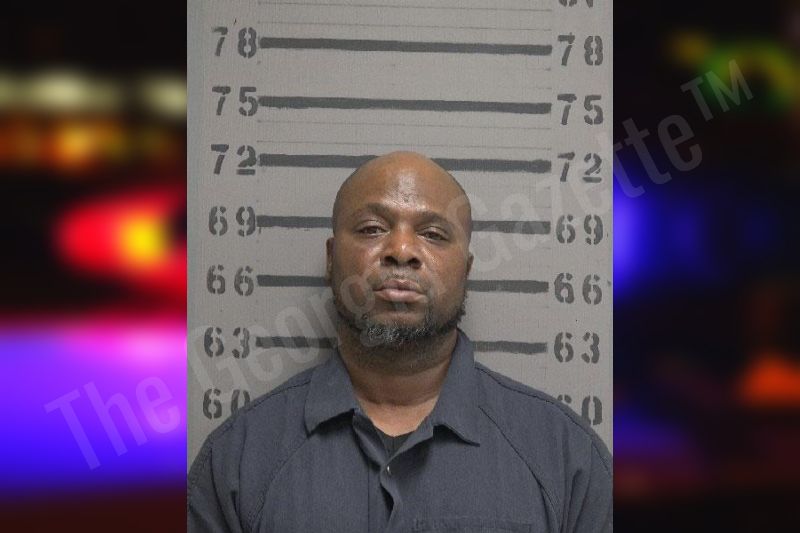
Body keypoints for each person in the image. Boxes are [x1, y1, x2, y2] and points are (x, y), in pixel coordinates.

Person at [188, 151, 612, 532]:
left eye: (434, 234)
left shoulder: (566, 458)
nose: (402, 250)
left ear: (466, 271)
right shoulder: (237, 462)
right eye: (372, 228)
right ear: (332, 259)